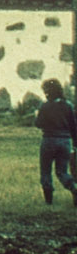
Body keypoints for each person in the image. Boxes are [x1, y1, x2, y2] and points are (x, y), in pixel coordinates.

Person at [35, 78, 77, 207]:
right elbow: (73, 126)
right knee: (62, 172)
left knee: (46, 171)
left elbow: (38, 124)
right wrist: (75, 143)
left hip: (49, 140)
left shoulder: (45, 106)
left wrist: (36, 115)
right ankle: (74, 187)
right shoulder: (68, 105)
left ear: (47, 91)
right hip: (65, 141)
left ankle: (49, 201)